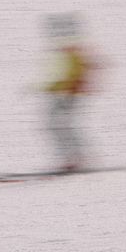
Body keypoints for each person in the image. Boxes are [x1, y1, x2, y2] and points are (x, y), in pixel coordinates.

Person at [40, 14, 99, 175]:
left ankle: (76, 159)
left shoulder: (72, 50)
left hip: (68, 94)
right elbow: (63, 73)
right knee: (58, 125)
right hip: (65, 93)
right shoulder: (68, 50)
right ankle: (76, 158)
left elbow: (74, 72)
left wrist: (65, 87)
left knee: (59, 126)